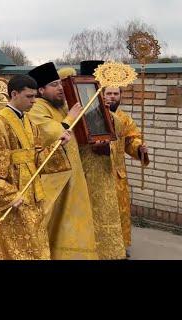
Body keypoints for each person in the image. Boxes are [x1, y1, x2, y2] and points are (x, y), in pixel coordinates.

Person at [0, 75, 72, 259]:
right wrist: (9, 195)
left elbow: (36, 157)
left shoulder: (28, 121)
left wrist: (57, 146)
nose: (34, 101)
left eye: (35, 96)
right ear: (14, 94)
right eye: (29, 96)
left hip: (31, 194)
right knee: (9, 248)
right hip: (11, 199)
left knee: (34, 245)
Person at [27, 62, 98, 260]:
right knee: (51, 220)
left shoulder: (59, 106)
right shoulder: (37, 108)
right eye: (53, 84)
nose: (60, 88)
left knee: (70, 219)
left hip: (71, 173)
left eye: (60, 83)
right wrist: (69, 118)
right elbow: (50, 133)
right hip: (52, 178)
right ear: (41, 90)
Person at [74, 60, 126, 260]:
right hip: (81, 172)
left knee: (104, 216)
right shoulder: (76, 110)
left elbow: (117, 144)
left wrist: (107, 146)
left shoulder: (115, 118)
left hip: (103, 174)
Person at [104, 85, 148, 258]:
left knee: (120, 211)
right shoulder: (93, 114)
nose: (112, 97)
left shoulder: (125, 119)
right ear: (102, 94)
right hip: (96, 170)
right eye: (109, 93)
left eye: (116, 93)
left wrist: (139, 148)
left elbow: (132, 141)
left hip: (117, 173)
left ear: (121, 96)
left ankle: (121, 244)